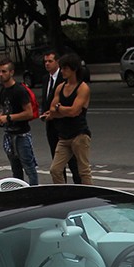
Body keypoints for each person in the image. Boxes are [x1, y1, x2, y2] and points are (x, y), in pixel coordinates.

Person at [0, 57, 38, 185]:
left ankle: (34, 193)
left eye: (4, 71)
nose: (1, 74)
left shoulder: (19, 90)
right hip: (9, 134)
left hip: (22, 135)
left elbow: (29, 113)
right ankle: (19, 195)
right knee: (16, 170)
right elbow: (6, 110)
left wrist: (9, 118)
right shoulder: (3, 91)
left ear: (11, 72)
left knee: (29, 167)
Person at [45, 53, 92, 185]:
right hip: (64, 136)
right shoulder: (60, 87)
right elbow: (52, 110)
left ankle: (89, 197)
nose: (62, 72)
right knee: (55, 169)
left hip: (79, 135)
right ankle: (63, 194)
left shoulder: (82, 88)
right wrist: (60, 110)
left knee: (83, 171)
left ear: (74, 69)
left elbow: (74, 111)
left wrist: (58, 109)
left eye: (65, 69)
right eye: (62, 68)